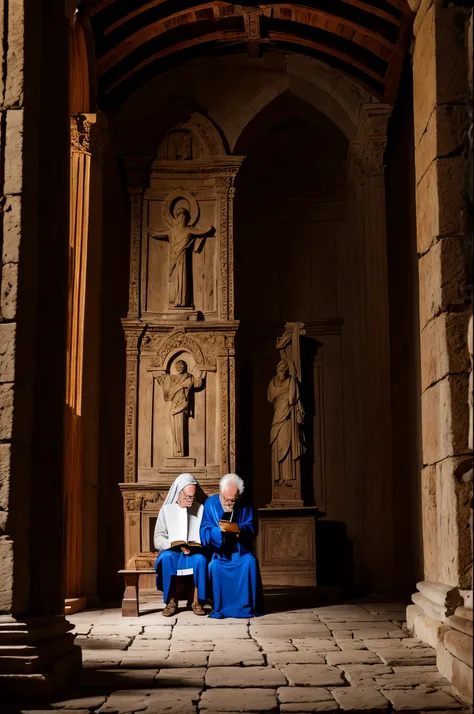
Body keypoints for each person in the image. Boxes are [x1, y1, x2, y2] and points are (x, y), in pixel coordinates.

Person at [200, 473, 264, 619]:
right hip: (220, 553)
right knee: (214, 566)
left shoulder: (246, 503)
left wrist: (239, 529)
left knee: (250, 562)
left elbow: (252, 527)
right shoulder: (210, 503)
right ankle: (221, 607)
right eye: (225, 499)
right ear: (220, 492)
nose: (228, 503)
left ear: (239, 496)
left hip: (240, 552)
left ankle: (247, 606)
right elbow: (204, 530)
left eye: (232, 500)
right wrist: (218, 531)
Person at [154, 473, 208, 616]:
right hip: (172, 551)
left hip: (193, 551)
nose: (190, 501)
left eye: (192, 497)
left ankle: (197, 601)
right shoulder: (166, 510)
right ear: (178, 492)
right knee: (166, 558)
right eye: (187, 497)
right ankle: (171, 601)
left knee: (201, 560)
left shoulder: (200, 509)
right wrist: (171, 544)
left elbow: (204, 533)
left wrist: (197, 544)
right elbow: (158, 537)